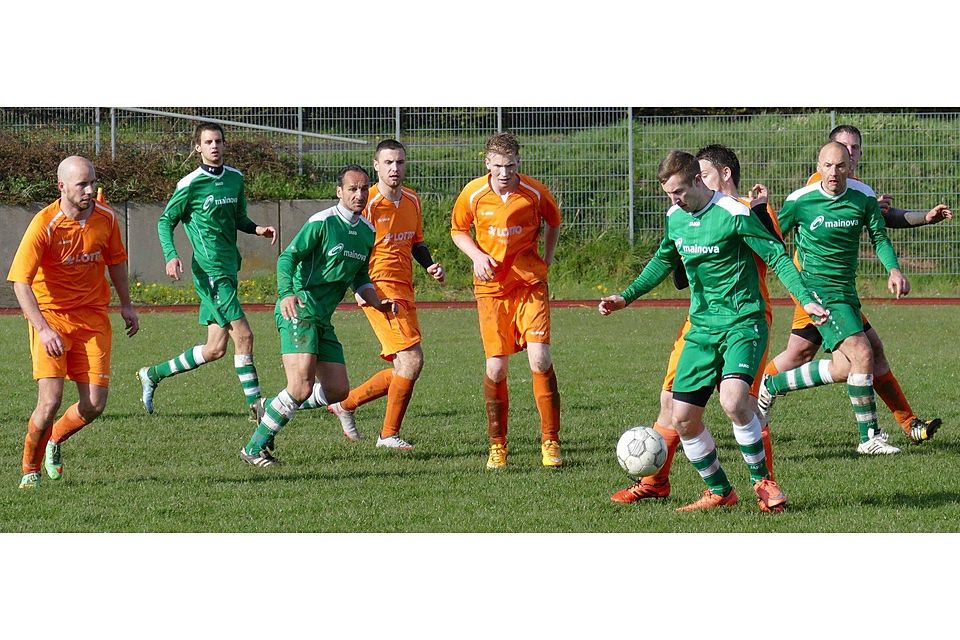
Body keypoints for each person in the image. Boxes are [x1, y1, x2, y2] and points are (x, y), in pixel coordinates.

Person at [599, 150, 828, 512]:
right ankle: (720, 491)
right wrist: (625, 297)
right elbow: (663, 260)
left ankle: (763, 484)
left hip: (743, 322)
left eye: (678, 191)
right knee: (682, 418)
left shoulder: (735, 214)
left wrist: (806, 299)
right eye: (668, 194)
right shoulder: (676, 217)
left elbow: (776, 256)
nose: (674, 199)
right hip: (701, 328)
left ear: (697, 180)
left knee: (734, 401)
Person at [760, 124, 952, 445]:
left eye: (851, 150)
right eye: (837, 150)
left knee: (833, 359)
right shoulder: (813, 190)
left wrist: (918, 225)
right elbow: (774, 236)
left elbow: (880, 224)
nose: (842, 158)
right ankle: (875, 435)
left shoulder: (861, 192)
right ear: (822, 160)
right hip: (814, 290)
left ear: (856, 159)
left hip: (844, 293)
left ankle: (766, 387)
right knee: (860, 353)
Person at [239, 165, 396, 466]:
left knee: (338, 390)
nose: (359, 194)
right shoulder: (322, 222)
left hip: (323, 318)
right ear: (339, 192)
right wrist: (286, 293)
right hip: (300, 308)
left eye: (364, 189)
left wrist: (379, 302)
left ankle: (270, 407)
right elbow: (288, 257)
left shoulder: (367, 232)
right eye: (352, 189)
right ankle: (253, 448)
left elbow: (360, 278)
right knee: (300, 386)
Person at [7, 156, 139, 489]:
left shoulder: (106, 218)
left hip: (93, 319)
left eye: (93, 182)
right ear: (61, 187)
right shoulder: (44, 224)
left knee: (95, 404)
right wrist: (43, 328)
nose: (91, 190)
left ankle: (54, 441)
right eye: (82, 184)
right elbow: (20, 282)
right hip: (52, 318)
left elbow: (117, 262)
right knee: (49, 401)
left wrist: (127, 304)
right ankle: (29, 470)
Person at [136, 122, 277, 423]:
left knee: (215, 349)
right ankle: (257, 409)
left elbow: (239, 217)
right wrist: (171, 255)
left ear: (225, 145)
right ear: (198, 147)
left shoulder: (236, 179)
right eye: (208, 142)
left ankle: (152, 374)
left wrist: (258, 229)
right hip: (209, 272)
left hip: (229, 268)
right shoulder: (190, 184)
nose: (214, 146)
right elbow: (165, 221)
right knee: (245, 335)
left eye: (219, 141)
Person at [321, 140, 445, 449]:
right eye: (388, 162)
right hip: (378, 289)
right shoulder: (368, 203)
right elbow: (352, 246)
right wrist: (359, 288)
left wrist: (429, 266)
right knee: (412, 359)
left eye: (400, 162)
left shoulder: (413, 200)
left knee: (406, 366)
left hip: (405, 288)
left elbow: (416, 241)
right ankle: (388, 435)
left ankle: (346, 404)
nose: (395, 168)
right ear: (376, 166)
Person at [450, 132, 562, 470]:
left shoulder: (533, 192)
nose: (504, 173)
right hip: (491, 289)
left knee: (539, 359)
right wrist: (476, 256)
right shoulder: (472, 194)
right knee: (495, 368)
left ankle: (551, 441)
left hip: (529, 284)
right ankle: (498, 446)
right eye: (498, 166)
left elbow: (554, 221)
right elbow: (458, 230)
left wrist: (547, 258)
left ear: (518, 163)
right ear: (487, 163)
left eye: (510, 166)